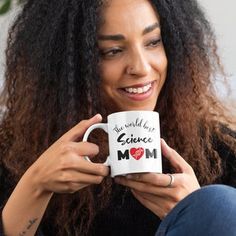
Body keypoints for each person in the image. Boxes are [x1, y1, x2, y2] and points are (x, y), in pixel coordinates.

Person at [0, 0, 236, 235]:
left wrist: (197, 212)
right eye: (112, 51)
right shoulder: (14, 155)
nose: (141, 68)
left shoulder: (220, 152)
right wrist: (35, 185)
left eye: (153, 42)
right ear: (65, 65)